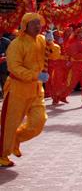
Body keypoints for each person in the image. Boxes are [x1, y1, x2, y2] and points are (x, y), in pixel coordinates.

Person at [0, 13, 56, 167]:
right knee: (10, 124)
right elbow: (14, 67)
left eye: (39, 23)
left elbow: (55, 55)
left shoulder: (42, 40)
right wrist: (34, 74)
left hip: (36, 90)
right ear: (25, 26)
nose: (38, 26)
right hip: (17, 89)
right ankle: (3, 155)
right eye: (34, 24)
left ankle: (16, 139)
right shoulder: (16, 44)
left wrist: (52, 44)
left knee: (39, 122)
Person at [62, 27, 82, 107]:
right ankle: (61, 96)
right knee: (71, 84)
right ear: (77, 34)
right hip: (76, 66)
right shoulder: (73, 43)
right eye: (81, 33)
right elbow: (75, 55)